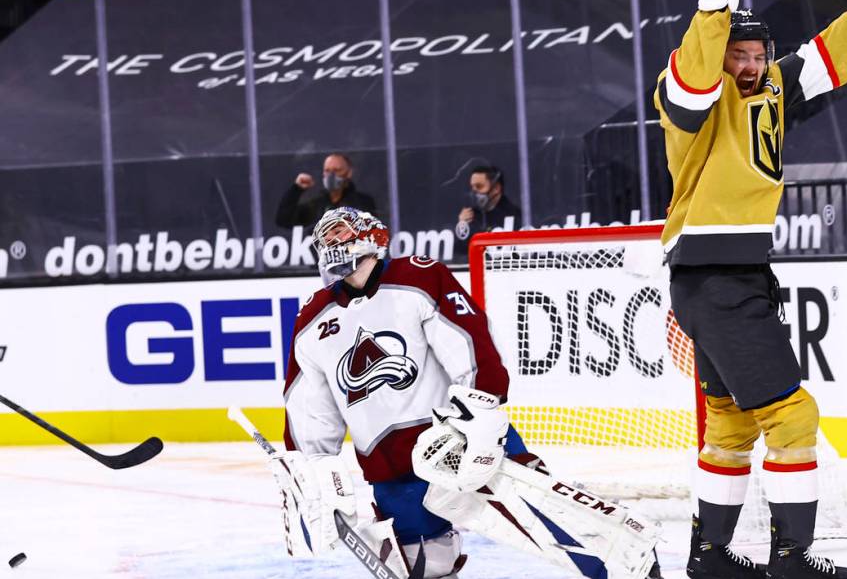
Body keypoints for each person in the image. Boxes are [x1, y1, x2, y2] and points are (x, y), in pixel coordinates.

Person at [652, 0, 847, 579]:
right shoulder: (693, 94)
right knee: (791, 413)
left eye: (756, 56)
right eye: (736, 56)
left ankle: (711, 557)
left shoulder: (770, 86)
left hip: (734, 275)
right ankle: (792, 559)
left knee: (730, 422)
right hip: (714, 279)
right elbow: (692, 77)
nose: (748, 66)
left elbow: (824, 61)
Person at [268, 206, 662, 579]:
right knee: (422, 562)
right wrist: (310, 470)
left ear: (372, 237)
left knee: (543, 512)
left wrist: (481, 411)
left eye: (342, 233)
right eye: (326, 238)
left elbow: (470, 343)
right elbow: (308, 405)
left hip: (457, 440)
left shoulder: (418, 277)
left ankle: (629, 561)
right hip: (388, 467)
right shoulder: (312, 318)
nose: (334, 243)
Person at [275, 153, 377, 234]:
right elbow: (284, 221)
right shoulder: (316, 205)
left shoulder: (362, 202)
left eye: (337, 170)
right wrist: (296, 189)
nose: (331, 175)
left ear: (349, 173)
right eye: (327, 171)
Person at [454, 165, 522, 249]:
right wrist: (462, 226)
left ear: (496, 188)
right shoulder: (471, 215)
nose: (474, 192)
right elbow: (460, 253)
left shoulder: (514, 215)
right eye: (472, 187)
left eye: (479, 186)